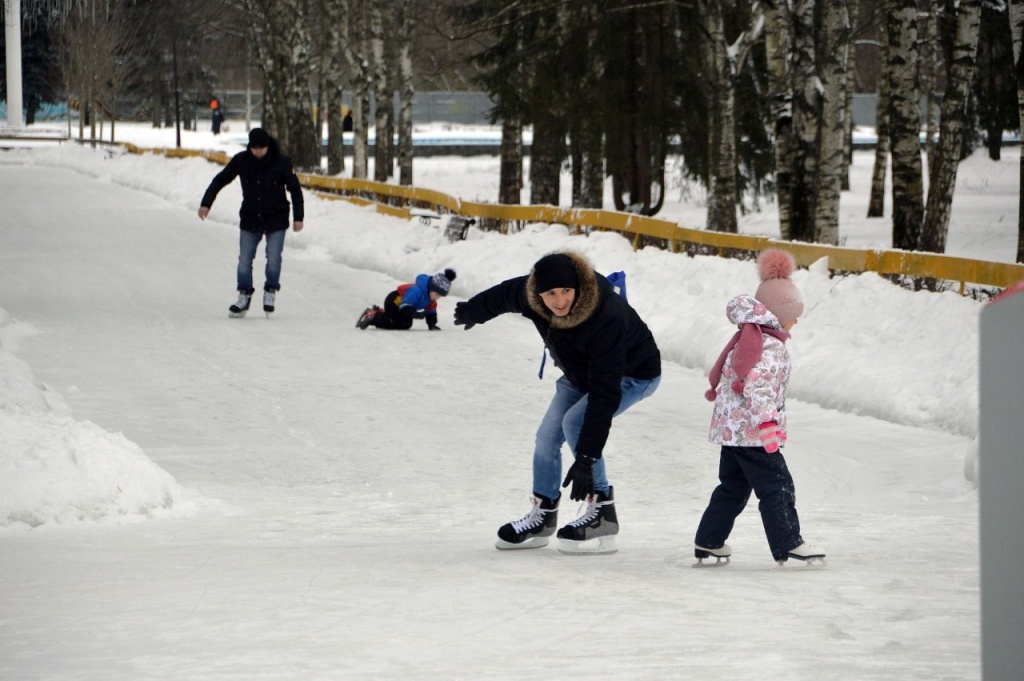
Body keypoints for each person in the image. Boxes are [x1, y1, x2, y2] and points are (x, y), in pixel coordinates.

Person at [453, 251, 661, 554]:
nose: (559, 300)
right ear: (538, 293)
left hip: (632, 374)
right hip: (580, 374)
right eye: (550, 293)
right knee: (546, 438)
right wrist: (474, 311)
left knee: (574, 423)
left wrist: (586, 459)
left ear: (577, 286)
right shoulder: (531, 295)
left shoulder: (607, 316)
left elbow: (604, 394)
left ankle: (602, 512)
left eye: (566, 291)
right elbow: (504, 295)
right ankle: (543, 515)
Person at [693, 249, 825, 567]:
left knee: (733, 487)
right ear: (778, 314)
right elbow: (758, 386)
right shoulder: (771, 346)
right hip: (753, 433)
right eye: (794, 314)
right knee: (777, 485)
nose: (796, 321)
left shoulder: (748, 338)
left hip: (733, 431)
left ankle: (709, 539)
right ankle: (789, 542)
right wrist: (768, 426)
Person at [198, 127, 304, 318]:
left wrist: (298, 217)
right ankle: (244, 295)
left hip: (276, 217)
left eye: (261, 148)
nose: (258, 152)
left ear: (268, 146)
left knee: (273, 257)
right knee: (244, 260)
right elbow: (220, 180)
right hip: (250, 217)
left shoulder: (281, 162)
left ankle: (270, 289)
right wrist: (206, 203)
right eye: (254, 149)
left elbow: (295, 190)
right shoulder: (241, 160)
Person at [356, 268, 456, 330]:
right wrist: (416, 314)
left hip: (404, 307)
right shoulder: (416, 291)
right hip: (394, 302)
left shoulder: (431, 299)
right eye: (437, 294)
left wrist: (432, 324)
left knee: (407, 324)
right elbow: (405, 305)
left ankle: (380, 312)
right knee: (396, 323)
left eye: (440, 296)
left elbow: (431, 311)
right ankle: (373, 316)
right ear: (431, 288)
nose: (437, 298)